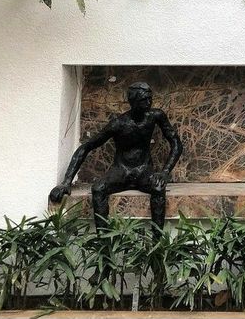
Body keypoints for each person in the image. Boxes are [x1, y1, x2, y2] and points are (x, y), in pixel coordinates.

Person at [49, 82, 183, 231]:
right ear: (132, 102)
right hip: (121, 170)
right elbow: (86, 147)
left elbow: (176, 144)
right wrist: (66, 182)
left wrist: (165, 172)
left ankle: (157, 244)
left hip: (144, 170)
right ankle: (104, 244)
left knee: (158, 187)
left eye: (150, 99)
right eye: (144, 100)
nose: (149, 103)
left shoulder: (155, 116)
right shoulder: (118, 124)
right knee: (98, 188)